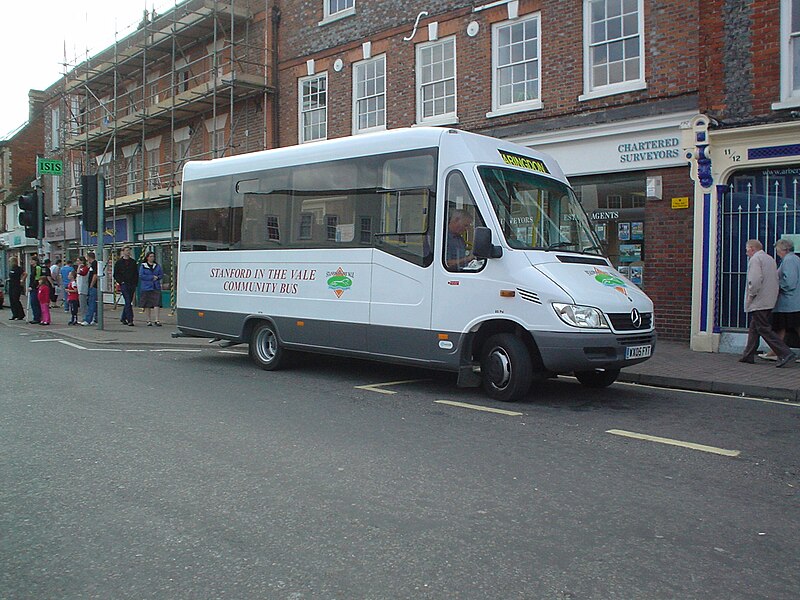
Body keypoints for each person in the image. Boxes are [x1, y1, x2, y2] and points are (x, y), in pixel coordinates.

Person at [739, 239, 795, 367]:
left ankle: (785, 352)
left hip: (759, 300)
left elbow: (754, 280)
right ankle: (748, 355)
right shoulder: (769, 258)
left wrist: (751, 295)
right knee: (754, 327)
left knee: (763, 328)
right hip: (769, 299)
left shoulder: (755, 260)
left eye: (747, 249)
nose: (746, 252)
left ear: (752, 248)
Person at [760, 238, 800, 360]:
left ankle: (775, 352)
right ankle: (775, 351)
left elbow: (790, 281)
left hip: (789, 302)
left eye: (777, 249)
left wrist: (777, 286)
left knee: (784, 326)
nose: (777, 252)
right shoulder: (795, 259)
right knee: (782, 327)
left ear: (784, 249)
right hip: (792, 302)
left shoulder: (789, 260)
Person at [113, 245, 139, 326]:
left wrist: (135, 283)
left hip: (132, 284)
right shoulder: (119, 263)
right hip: (124, 284)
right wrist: (121, 282)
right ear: (123, 251)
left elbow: (136, 273)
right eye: (127, 250)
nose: (128, 252)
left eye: (129, 250)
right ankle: (130, 319)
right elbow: (116, 274)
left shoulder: (133, 262)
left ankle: (123, 317)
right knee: (128, 301)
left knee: (128, 301)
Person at [138, 251, 164, 326]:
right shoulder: (143, 266)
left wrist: (158, 277)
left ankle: (157, 320)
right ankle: (148, 320)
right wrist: (151, 277)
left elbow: (161, 274)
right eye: (151, 256)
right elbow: (141, 275)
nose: (152, 258)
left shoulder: (157, 266)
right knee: (147, 305)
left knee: (157, 303)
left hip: (156, 286)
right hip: (146, 287)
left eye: (153, 256)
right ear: (147, 257)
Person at [81, 251, 99, 326]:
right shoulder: (91, 265)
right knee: (94, 303)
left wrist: (91, 284)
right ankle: (96, 319)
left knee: (91, 302)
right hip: (93, 286)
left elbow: (95, 275)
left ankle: (88, 319)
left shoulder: (94, 264)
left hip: (93, 287)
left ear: (89, 257)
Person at [27, 255, 42, 324]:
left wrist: (32, 286)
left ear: (35, 261)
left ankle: (37, 317)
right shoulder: (33, 268)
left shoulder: (37, 268)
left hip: (35, 288)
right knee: (34, 303)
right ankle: (36, 316)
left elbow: (37, 278)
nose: (30, 262)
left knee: (34, 302)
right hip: (33, 287)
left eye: (32, 260)